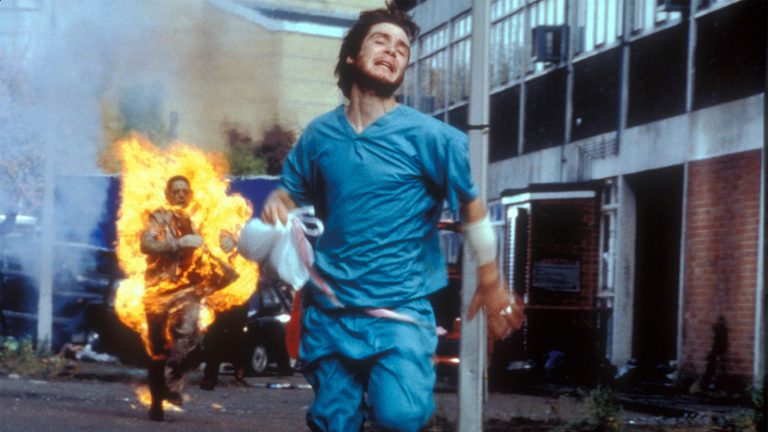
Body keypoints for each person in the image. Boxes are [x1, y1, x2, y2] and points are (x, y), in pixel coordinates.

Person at [260, 3, 524, 431]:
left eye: (402, 48)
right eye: (380, 41)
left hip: (399, 310)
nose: (392, 51)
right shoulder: (319, 135)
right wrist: (278, 199)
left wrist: (491, 278)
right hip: (330, 309)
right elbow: (291, 190)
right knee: (333, 422)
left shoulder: (435, 139)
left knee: (400, 416)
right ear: (352, 56)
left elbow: (472, 209)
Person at [141, 175, 238, 421]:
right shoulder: (157, 218)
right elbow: (146, 245)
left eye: (185, 191)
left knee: (188, 336)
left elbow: (220, 241)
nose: (181, 195)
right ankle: (157, 402)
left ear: (191, 194)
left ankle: (172, 385)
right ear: (168, 195)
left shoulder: (200, 219)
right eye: (175, 191)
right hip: (159, 291)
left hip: (189, 291)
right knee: (157, 350)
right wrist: (178, 243)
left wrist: (230, 242)